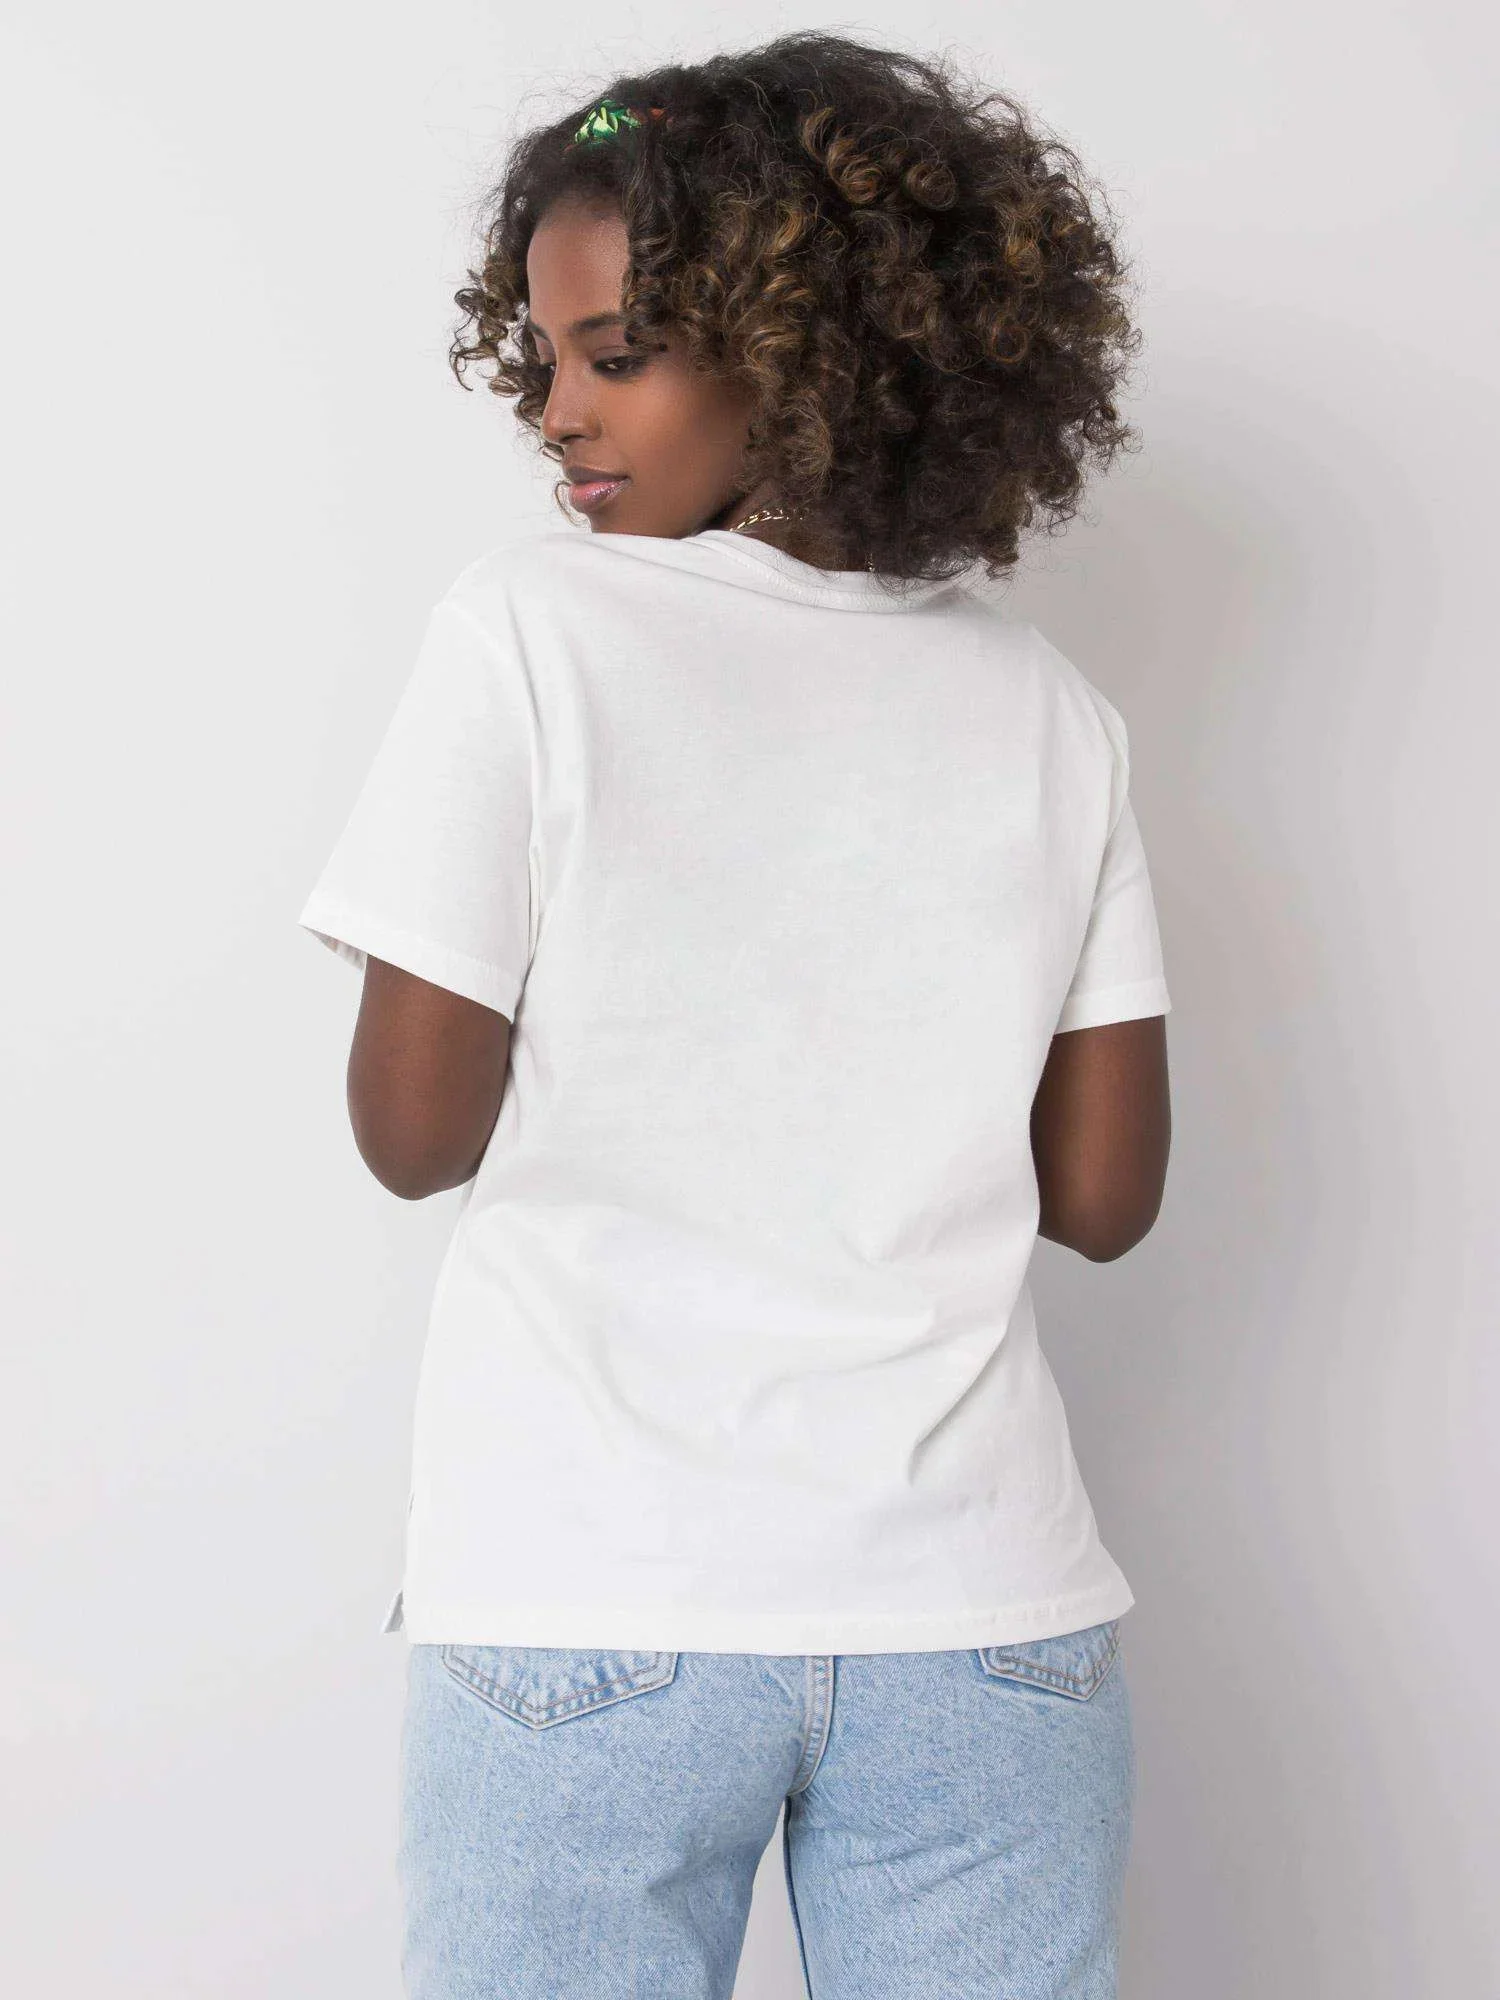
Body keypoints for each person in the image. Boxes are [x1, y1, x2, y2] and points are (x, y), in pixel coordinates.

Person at [298, 31, 1172, 2000]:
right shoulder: (1048, 708)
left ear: (807, 351)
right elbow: (1108, 1199)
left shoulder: (529, 630)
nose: (559, 413)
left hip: (598, 1595)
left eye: (617, 354)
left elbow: (411, 1134)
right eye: (542, 358)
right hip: (985, 1621)